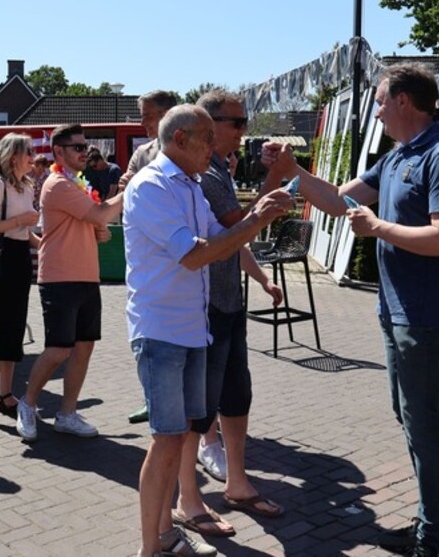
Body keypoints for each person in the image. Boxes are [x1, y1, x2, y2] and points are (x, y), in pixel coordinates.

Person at [266, 64, 439, 557]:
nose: (376, 112)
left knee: (423, 424)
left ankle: (438, 539)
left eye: (380, 102)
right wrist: (294, 171)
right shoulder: (400, 155)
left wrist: (377, 227)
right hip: (398, 311)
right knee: (412, 419)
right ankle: (433, 526)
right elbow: (338, 200)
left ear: (403, 101)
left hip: (426, 315)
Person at [124, 104, 291, 557]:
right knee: (166, 440)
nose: (215, 148)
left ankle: (165, 534)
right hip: (162, 332)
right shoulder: (152, 186)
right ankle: (151, 547)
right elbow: (196, 254)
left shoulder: (190, 186)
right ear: (180, 139)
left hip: (191, 330)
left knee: (178, 437)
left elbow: (221, 241)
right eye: (207, 138)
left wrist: (260, 216)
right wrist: (258, 219)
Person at [173, 90, 286, 539]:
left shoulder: (218, 168)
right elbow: (242, 225)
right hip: (206, 308)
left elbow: (235, 239)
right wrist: (276, 175)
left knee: (237, 396)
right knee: (198, 411)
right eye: (236, 123)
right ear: (208, 124)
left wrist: (261, 279)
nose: (243, 131)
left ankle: (236, 483)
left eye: (244, 123)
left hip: (228, 303)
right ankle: (188, 500)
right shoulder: (204, 176)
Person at [16, 125, 123, 440]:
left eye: (85, 147)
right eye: (77, 147)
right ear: (58, 152)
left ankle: (67, 413)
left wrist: (97, 230)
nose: (84, 152)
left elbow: (95, 222)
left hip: (86, 275)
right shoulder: (57, 184)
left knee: (84, 347)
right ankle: (27, 403)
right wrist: (129, 192)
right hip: (60, 277)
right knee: (58, 350)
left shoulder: (77, 183)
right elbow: (100, 214)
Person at [0, 134, 40, 430]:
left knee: (14, 330)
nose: (33, 157)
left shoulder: (26, 185)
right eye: (29, 152)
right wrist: (20, 221)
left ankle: (6, 394)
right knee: (3, 332)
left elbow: (24, 231)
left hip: (20, 258)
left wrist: (43, 245)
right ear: (14, 157)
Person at [120, 89, 178, 424]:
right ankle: (150, 396)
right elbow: (125, 188)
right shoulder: (142, 153)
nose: (142, 123)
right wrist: (126, 182)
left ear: (167, 115)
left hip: (180, 257)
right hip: (148, 262)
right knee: (144, 336)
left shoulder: (188, 150)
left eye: (147, 116)